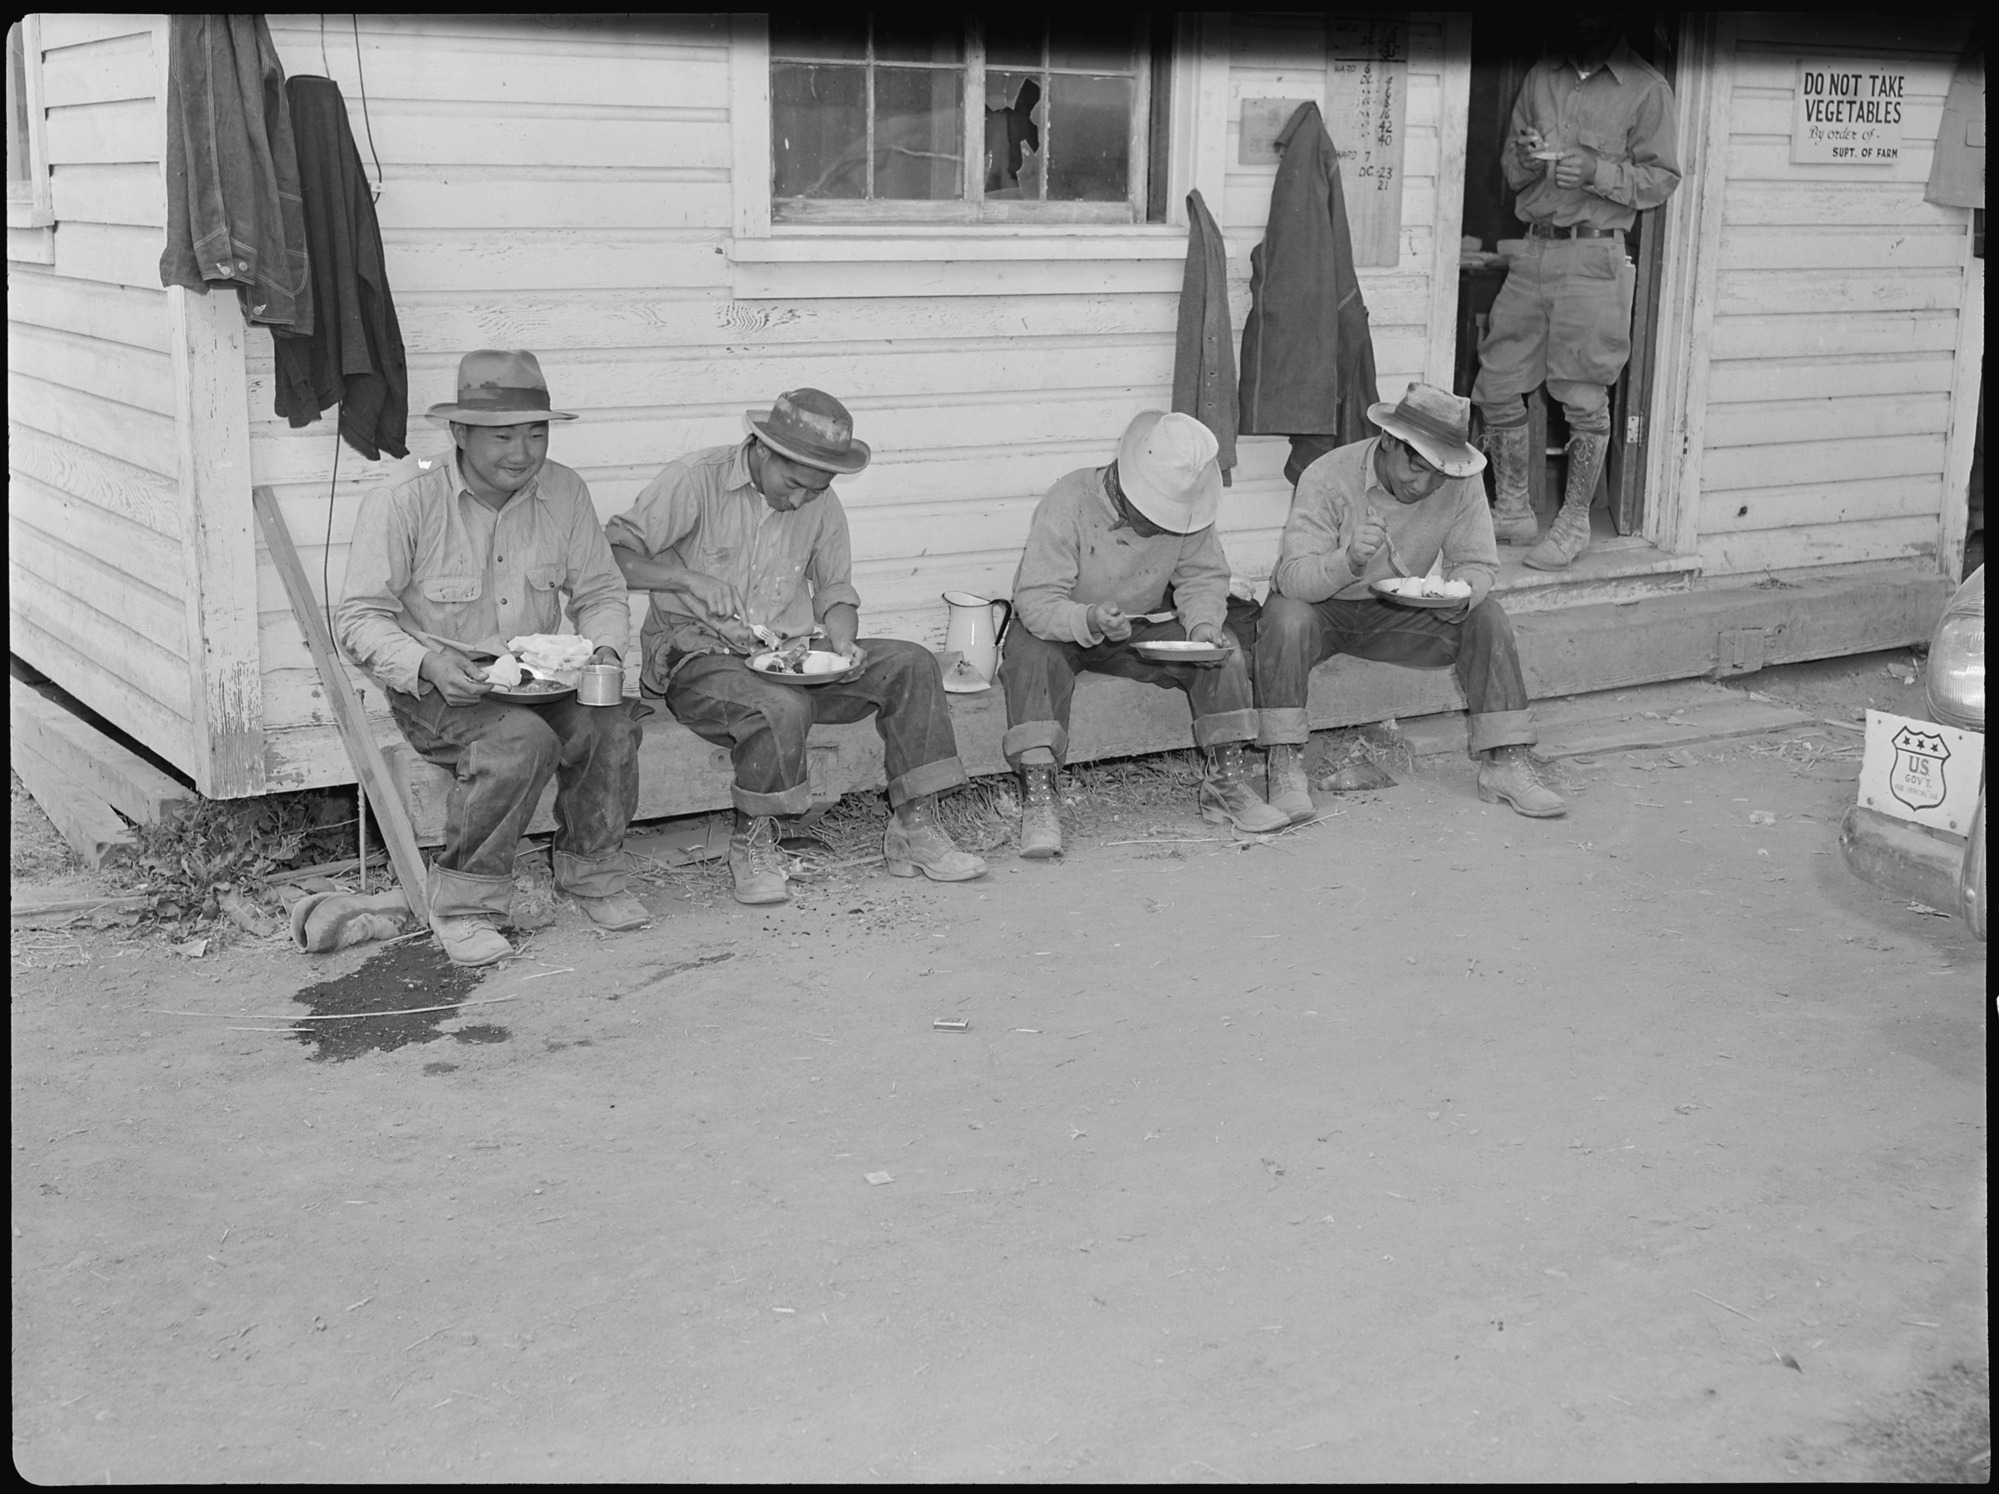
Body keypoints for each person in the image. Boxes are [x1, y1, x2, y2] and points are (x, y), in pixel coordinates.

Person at [606, 389, 986, 904]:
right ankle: (755, 841)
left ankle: (915, 828)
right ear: (762, 450)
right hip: (699, 660)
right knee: (780, 705)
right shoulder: (696, 479)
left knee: (912, 663)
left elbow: (835, 593)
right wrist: (685, 579)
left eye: (818, 488)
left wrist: (844, 640)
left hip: (791, 658)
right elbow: (614, 557)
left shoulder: (820, 503)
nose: (801, 500)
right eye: (794, 484)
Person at [336, 349, 651, 967]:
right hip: (441, 685)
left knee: (610, 722)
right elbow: (358, 618)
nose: (522, 451)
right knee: (517, 743)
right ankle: (464, 905)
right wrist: (427, 666)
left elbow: (601, 592)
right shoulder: (406, 498)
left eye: (537, 433)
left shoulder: (564, 490)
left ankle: (591, 874)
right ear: (458, 433)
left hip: (541, 680)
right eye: (503, 435)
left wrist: (605, 652)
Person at [1255, 383, 1567, 819]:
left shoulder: (1460, 480)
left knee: (1487, 616)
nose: (1424, 486)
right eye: (1417, 468)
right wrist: (1347, 561)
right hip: (1324, 611)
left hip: (1399, 613)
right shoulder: (1327, 475)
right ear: (1387, 440)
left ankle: (1505, 762)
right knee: (1284, 617)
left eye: (1439, 475)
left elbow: (1477, 564)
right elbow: (1291, 580)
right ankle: (1285, 763)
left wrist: (1458, 592)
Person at [1001, 411, 1292, 858]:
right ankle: (1040, 797)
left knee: (1224, 650)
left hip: (1139, 627)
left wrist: (1204, 626)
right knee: (1028, 653)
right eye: (1155, 513)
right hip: (1062, 627)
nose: (1163, 524)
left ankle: (1226, 785)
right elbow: (1035, 601)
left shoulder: (1190, 506)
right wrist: (1091, 619)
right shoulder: (1069, 500)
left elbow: (1203, 578)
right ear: (1126, 481)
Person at [1475, 10, 1680, 569]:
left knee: (1583, 396)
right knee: (1494, 383)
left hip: (1594, 255)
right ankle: (1514, 509)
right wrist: (1522, 157)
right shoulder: (1542, 75)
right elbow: (1512, 171)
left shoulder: (1647, 88)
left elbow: (1663, 178)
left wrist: (1595, 171)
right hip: (1533, 247)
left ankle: (1571, 525)